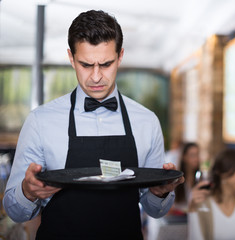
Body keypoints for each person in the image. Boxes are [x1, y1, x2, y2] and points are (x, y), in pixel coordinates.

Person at [3, 10, 184, 240]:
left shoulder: (146, 122)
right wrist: (27, 193)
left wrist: (159, 194)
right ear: (71, 58)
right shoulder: (40, 121)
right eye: (86, 65)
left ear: (120, 57)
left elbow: (155, 210)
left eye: (106, 64)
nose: (96, 77)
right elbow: (14, 211)